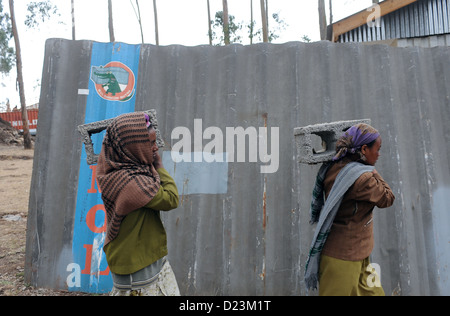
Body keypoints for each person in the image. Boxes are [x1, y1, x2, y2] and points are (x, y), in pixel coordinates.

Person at [304, 123, 395, 296]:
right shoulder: (363, 178)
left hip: (359, 254)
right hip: (342, 259)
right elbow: (387, 198)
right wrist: (372, 170)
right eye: (377, 149)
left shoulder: (335, 165)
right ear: (364, 149)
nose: (379, 154)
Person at [96, 111, 180, 296]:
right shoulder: (134, 184)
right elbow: (172, 198)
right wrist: (158, 165)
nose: (155, 148)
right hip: (138, 270)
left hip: (139, 258)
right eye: (149, 143)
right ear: (132, 147)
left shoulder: (114, 171)